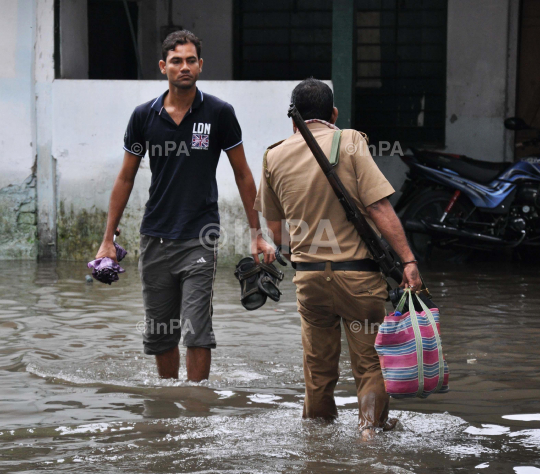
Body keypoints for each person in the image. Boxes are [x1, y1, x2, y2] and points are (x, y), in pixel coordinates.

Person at [94, 30, 275, 382]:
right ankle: (168, 410)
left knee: (196, 331)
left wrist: (258, 234)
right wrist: (107, 238)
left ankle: (196, 411)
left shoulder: (220, 113)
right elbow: (125, 178)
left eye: (191, 60)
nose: (184, 66)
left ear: (201, 65)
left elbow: (243, 174)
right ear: (164, 66)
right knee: (161, 334)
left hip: (199, 237)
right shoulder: (143, 116)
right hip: (155, 237)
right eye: (176, 61)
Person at [254, 78, 422, 438]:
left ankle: (316, 442)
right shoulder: (350, 142)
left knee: (317, 368)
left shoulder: (274, 154)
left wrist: (296, 251)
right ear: (333, 113)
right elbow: (378, 206)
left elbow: (276, 228)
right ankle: (369, 435)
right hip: (359, 279)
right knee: (370, 365)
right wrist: (408, 260)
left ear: (294, 120)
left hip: (309, 282)